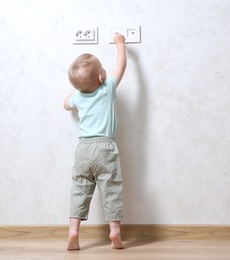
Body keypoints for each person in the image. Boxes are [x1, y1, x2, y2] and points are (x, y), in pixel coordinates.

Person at [63, 33, 127, 250]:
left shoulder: (77, 96)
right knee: (111, 189)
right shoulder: (107, 88)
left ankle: (73, 230)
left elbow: (65, 104)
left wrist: (78, 87)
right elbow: (121, 66)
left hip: (83, 148)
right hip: (105, 147)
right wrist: (120, 43)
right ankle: (115, 231)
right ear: (101, 77)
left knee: (80, 189)